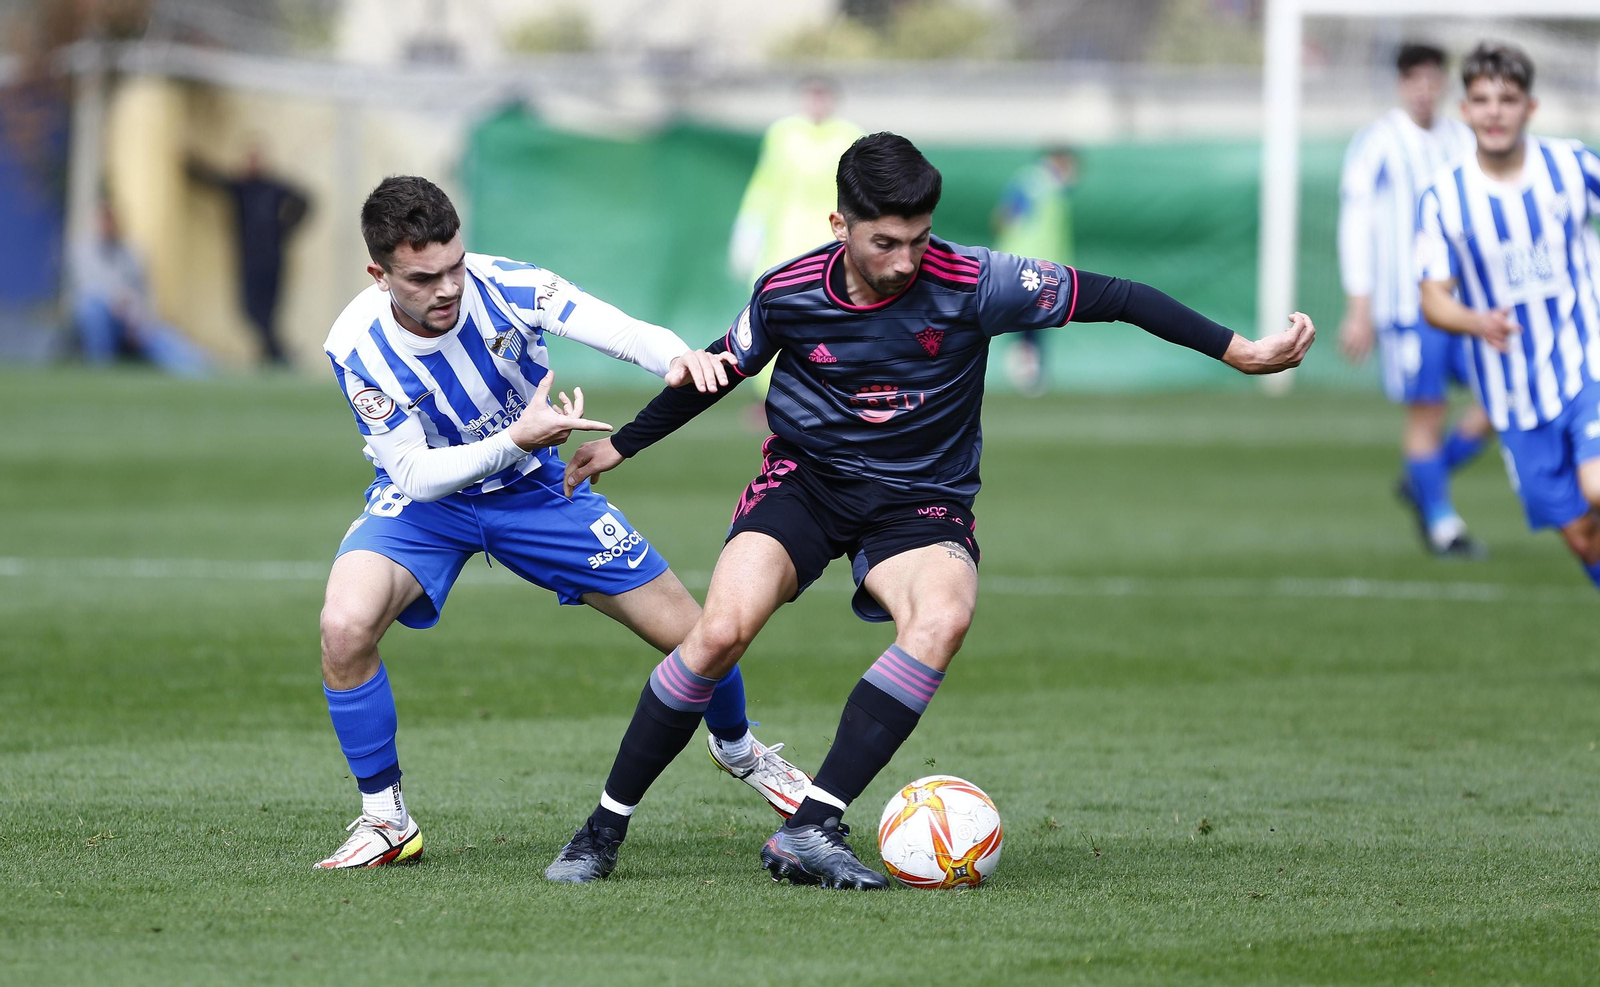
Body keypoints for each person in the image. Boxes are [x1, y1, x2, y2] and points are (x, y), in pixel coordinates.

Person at [543, 133, 1315, 888]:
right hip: (806, 484)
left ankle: (810, 825)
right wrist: (626, 445)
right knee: (719, 631)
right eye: (885, 242)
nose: (906, 261)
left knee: (942, 618)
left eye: (918, 238)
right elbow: (718, 364)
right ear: (839, 226)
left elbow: (1116, 295)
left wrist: (1237, 350)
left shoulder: (978, 280)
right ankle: (602, 828)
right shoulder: (787, 291)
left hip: (921, 501)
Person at [313, 176, 808, 870]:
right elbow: (416, 475)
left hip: (538, 492)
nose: (448, 287)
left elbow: (614, 327)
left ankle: (739, 748)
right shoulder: (356, 348)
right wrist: (518, 435)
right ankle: (386, 817)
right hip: (429, 506)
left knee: (703, 636)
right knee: (343, 625)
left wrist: (674, 356)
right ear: (380, 274)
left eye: (455, 264)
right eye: (424, 278)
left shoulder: (511, 286)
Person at [1417, 43, 1600, 592]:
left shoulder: (1571, 165)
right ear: (1464, 110)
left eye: (1508, 99)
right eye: (1482, 100)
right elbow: (1433, 297)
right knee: (1583, 537)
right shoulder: (1445, 198)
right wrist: (1476, 322)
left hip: (1586, 361)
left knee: (1598, 487)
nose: (1495, 111)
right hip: (1513, 394)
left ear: (1531, 108)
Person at [1339, 43, 1492, 558]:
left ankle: (1423, 478)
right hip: (1409, 307)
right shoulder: (1378, 142)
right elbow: (1355, 224)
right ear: (1402, 85)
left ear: (1444, 83)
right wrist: (1359, 308)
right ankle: (1444, 525)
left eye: (1433, 79)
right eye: (1415, 80)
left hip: (1465, 304)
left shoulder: (1461, 140)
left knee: (1501, 401)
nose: (1425, 90)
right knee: (1426, 412)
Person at [728, 77, 863, 412]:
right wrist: (749, 230)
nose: (816, 103)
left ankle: (829, 394)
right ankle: (767, 398)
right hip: (782, 244)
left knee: (830, 319)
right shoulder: (783, 133)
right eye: (811, 96)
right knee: (771, 316)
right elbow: (765, 184)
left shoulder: (849, 136)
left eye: (823, 96)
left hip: (829, 245)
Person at [188, 144, 310, 365]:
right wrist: (190, 165)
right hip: (248, 261)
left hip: (272, 260)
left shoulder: (274, 187)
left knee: (267, 312)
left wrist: (286, 229)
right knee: (248, 310)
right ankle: (276, 353)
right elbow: (213, 181)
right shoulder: (241, 188)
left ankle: (274, 354)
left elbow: (305, 201)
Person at [69, 200, 211, 376]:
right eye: (102, 221)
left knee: (156, 333)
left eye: (109, 220)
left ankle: (198, 368)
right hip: (103, 317)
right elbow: (89, 288)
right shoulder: (84, 251)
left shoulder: (132, 252)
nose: (106, 225)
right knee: (92, 308)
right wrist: (116, 300)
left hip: (130, 318)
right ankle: (101, 367)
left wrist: (137, 318)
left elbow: (144, 293)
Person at [993, 146, 1077, 396]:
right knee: (1030, 317)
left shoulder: (1053, 188)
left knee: (1038, 317)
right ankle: (1025, 367)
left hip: (1041, 264)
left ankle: (1029, 367)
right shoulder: (1037, 182)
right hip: (1029, 265)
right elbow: (1004, 216)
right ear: (1060, 160)